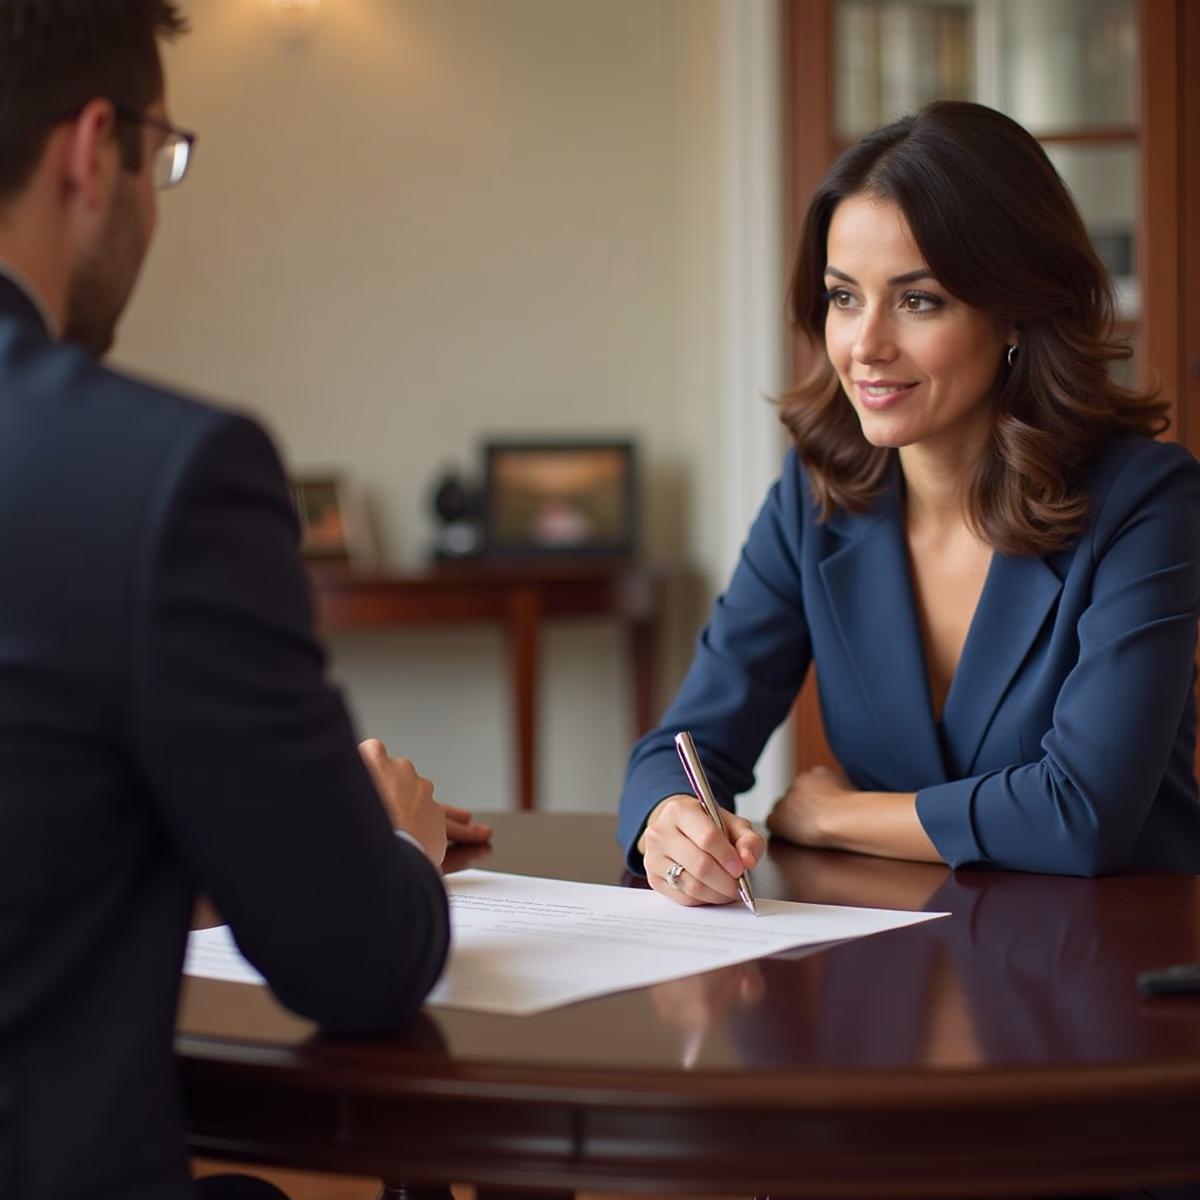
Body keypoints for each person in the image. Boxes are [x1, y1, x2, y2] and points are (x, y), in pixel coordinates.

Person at [0, 3, 489, 1198]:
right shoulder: (161, 477)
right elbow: (354, 964)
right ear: (91, 149)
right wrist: (388, 847)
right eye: (164, 157)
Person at [618, 99, 1200, 909]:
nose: (866, 346)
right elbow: (683, 746)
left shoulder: (1146, 501)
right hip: (898, 970)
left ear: (1015, 314)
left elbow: (1083, 814)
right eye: (844, 297)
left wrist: (838, 816)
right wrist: (670, 816)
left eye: (918, 300)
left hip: (1112, 973)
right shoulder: (814, 496)